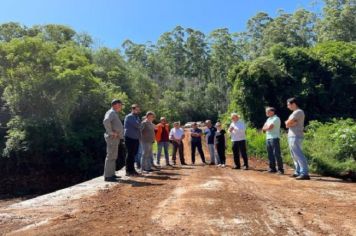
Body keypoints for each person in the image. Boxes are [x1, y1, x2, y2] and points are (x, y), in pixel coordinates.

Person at [285, 97, 310, 180]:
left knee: (298, 154)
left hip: (296, 135)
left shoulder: (298, 112)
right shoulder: (294, 113)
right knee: (294, 155)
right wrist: (290, 123)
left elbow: (288, 123)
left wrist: (289, 123)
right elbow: (287, 124)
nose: (288, 106)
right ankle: (298, 171)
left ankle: (305, 173)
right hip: (292, 135)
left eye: (288, 105)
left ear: (294, 104)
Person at [103, 99, 124, 182]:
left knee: (113, 156)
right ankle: (108, 176)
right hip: (112, 138)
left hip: (115, 138)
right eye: (120, 105)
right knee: (111, 156)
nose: (121, 106)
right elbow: (106, 121)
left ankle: (112, 174)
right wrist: (111, 132)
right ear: (115, 105)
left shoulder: (114, 113)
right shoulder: (111, 112)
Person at [262, 107, 284, 174]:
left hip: (274, 138)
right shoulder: (268, 119)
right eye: (266, 112)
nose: (266, 113)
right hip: (268, 138)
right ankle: (272, 168)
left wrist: (266, 128)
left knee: (276, 154)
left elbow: (269, 127)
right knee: (270, 154)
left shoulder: (276, 118)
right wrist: (266, 128)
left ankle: (280, 169)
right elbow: (263, 129)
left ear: (272, 112)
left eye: (267, 111)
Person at [124, 104, 142, 176]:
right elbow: (138, 126)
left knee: (133, 154)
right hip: (129, 138)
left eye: (138, 110)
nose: (138, 111)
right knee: (130, 154)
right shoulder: (129, 116)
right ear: (133, 109)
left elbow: (139, 126)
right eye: (137, 109)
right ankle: (128, 171)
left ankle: (132, 170)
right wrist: (141, 124)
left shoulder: (136, 117)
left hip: (135, 138)